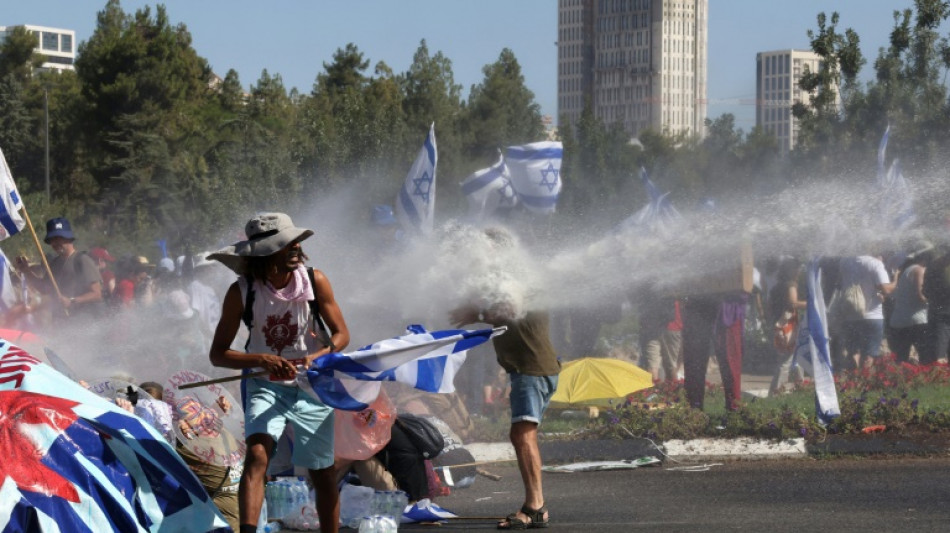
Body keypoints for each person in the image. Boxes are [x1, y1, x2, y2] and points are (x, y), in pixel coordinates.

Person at [208, 212, 349, 533]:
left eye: (295, 241)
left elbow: (342, 335)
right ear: (264, 253)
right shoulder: (241, 292)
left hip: (312, 384)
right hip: (265, 385)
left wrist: (319, 356)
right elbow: (218, 355)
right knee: (257, 456)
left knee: (322, 471)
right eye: (285, 244)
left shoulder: (315, 280)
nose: (295, 247)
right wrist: (262, 359)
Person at [449, 227, 560, 530]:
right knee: (521, 434)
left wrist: (476, 313)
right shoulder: (506, 279)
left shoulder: (519, 280)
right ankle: (535, 505)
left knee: (523, 436)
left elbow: (510, 308)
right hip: (529, 368)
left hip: (532, 369)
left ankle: (535, 507)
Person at [16, 217, 104, 321]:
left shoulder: (82, 260)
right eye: (52, 239)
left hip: (85, 321)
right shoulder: (54, 263)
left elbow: (97, 294)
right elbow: (44, 288)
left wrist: (72, 301)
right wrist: (26, 271)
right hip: (62, 322)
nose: (55, 243)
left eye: (59, 238)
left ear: (69, 238)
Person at [838, 253, 896, 369]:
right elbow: (886, 289)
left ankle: (852, 378)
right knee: (868, 355)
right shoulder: (874, 264)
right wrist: (896, 279)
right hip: (872, 316)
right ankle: (864, 378)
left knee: (853, 352)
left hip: (851, 315)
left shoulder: (845, 261)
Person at [889, 241, 934, 364]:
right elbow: (921, 296)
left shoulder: (907, 270)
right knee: (926, 357)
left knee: (901, 359)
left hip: (899, 320)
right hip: (915, 321)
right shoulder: (919, 270)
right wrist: (936, 304)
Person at [767, 258, 807, 396]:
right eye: (798, 268)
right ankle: (775, 391)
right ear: (792, 270)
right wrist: (810, 304)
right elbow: (793, 303)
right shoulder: (791, 284)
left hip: (779, 323)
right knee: (787, 358)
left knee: (796, 355)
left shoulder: (777, 286)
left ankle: (800, 386)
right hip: (788, 325)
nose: (799, 271)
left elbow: (769, 305)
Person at [923, 245, 950, 364]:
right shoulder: (939, 266)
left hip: (937, 310)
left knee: (938, 345)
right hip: (943, 311)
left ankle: (937, 367)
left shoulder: (934, 265)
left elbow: (925, 290)